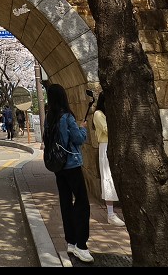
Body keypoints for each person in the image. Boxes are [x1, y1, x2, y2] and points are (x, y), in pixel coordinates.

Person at [44, 83, 93, 264]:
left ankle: (71, 242)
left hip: (58, 167)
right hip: (72, 165)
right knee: (82, 203)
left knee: (65, 203)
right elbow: (78, 139)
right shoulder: (66, 117)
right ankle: (81, 245)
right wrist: (82, 127)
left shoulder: (49, 118)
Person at [92, 93, 125, 226]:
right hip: (106, 146)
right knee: (108, 177)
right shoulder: (98, 114)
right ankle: (110, 214)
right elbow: (107, 130)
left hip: (116, 146)